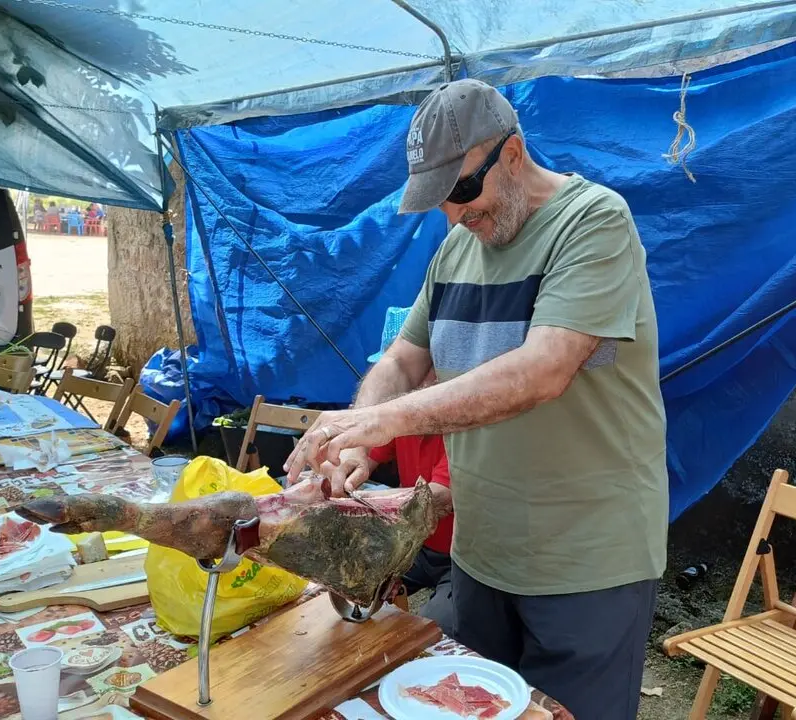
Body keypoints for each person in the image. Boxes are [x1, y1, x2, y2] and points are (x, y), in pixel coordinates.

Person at [284, 78, 667, 719]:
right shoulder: (457, 249)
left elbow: (542, 370)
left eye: (462, 189)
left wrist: (383, 418)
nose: (456, 213)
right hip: (482, 555)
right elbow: (404, 360)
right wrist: (362, 434)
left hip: (585, 559)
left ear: (512, 153)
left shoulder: (594, 221)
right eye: (440, 201)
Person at [324, 306, 455, 636]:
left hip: (459, 557)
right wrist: (342, 466)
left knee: (434, 628)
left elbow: (439, 495)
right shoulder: (400, 420)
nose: (411, 387)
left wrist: (361, 506)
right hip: (414, 544)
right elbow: (366, 458)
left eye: (422, 373)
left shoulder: (462, 422)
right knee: (343, 580)